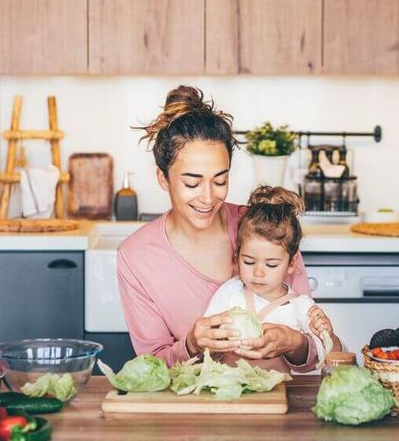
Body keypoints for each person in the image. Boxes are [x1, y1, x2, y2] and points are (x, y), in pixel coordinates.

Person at [117, 85, 336, 370]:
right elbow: (151, 366)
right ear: (162, 178)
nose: (209, 198)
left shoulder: (265, 226)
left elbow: (311, 356)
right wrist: (191, 345)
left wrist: (294, 342)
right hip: (192, 407)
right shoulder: (136, 257)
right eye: (192, 183)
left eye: (220, 181)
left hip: (272, 402)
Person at [203, 185, 340, 373]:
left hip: (276, 397)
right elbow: (206, 340)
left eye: (271, 265)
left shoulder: (300, 306)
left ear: (292, 264)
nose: (259, 273)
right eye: (249, 262)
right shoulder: (230, 291)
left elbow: (331, 354)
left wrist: (327, 333)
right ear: (237, 258)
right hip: (228, 395)